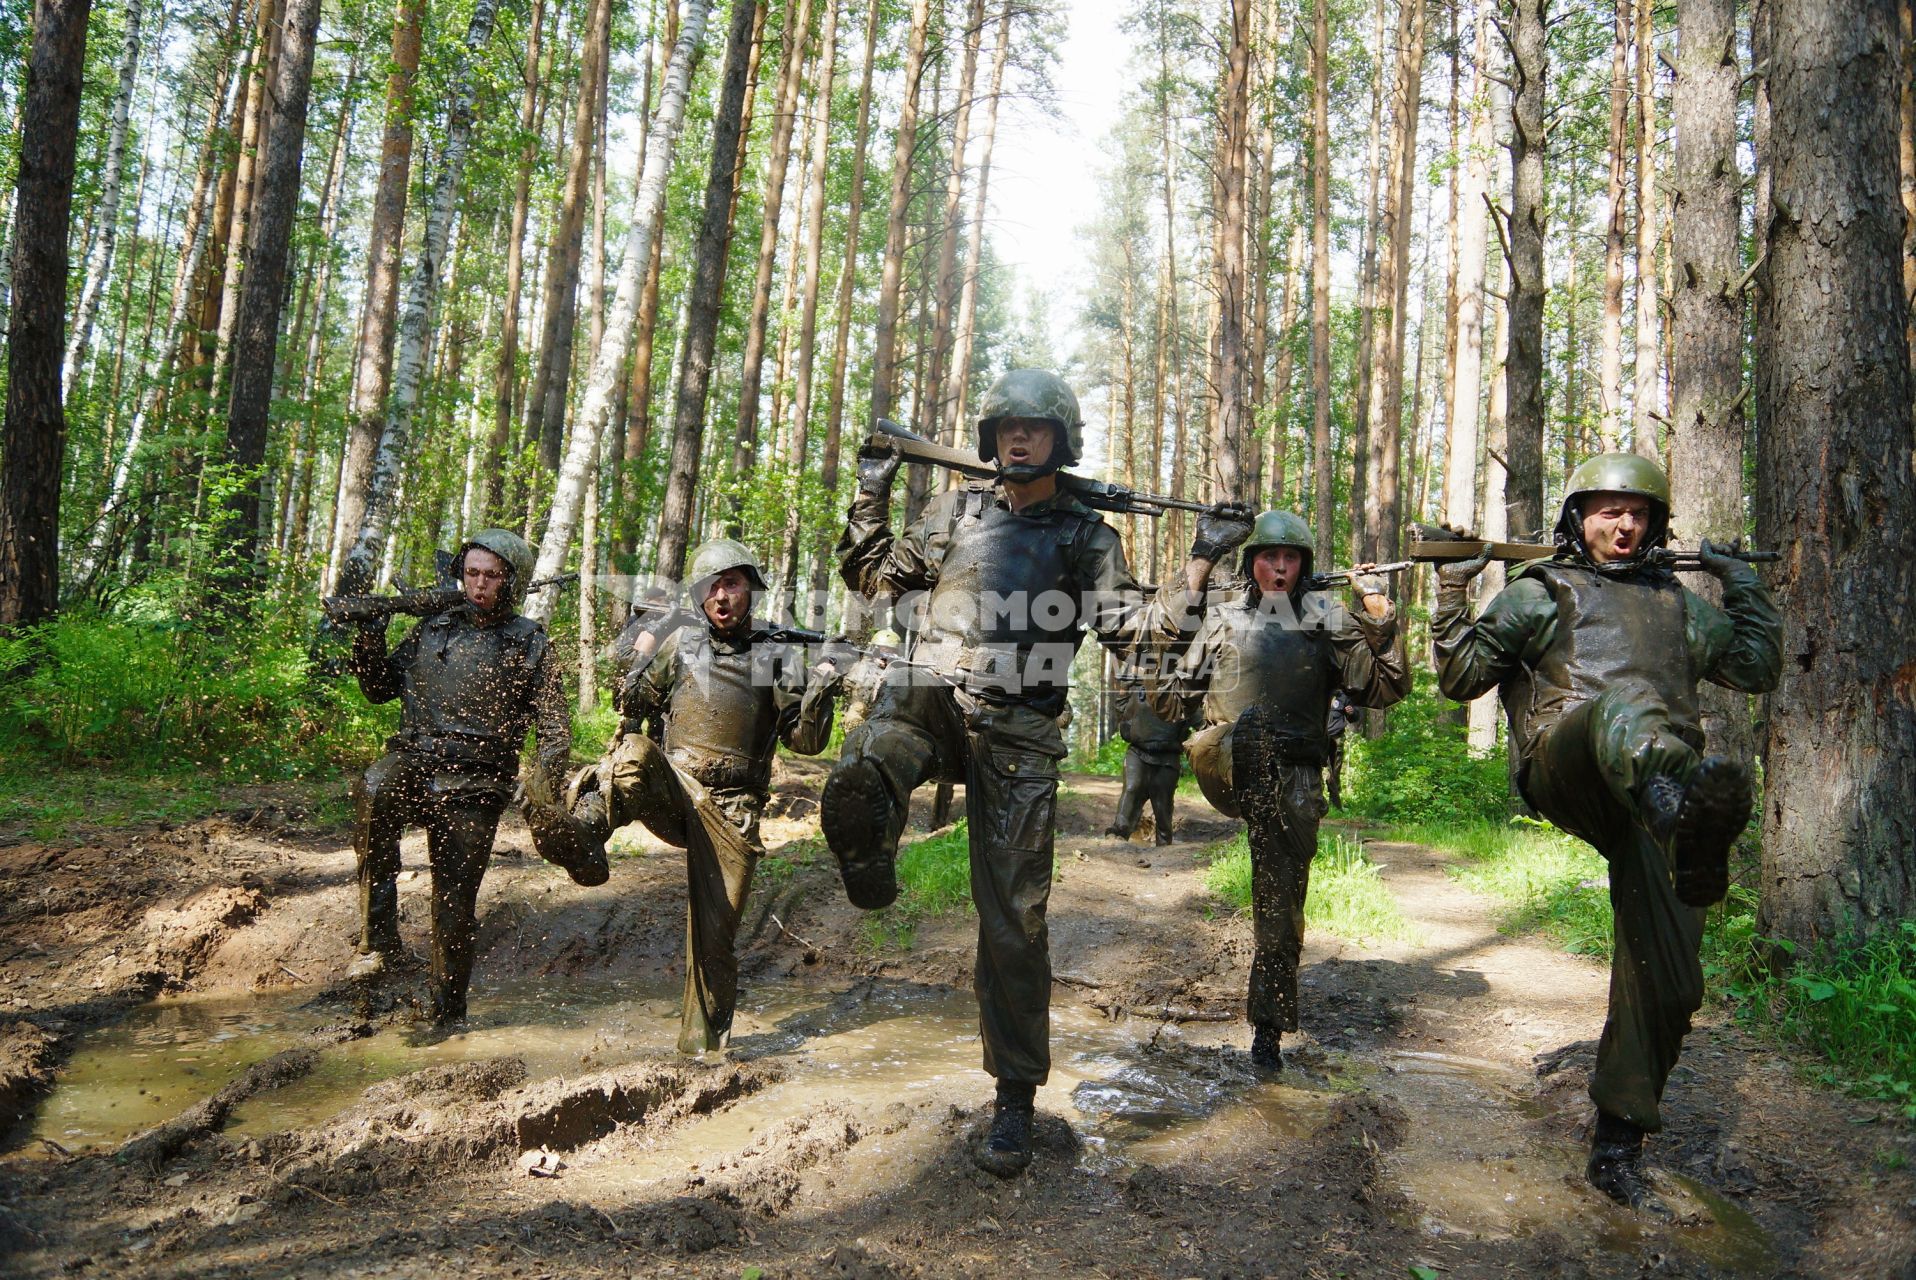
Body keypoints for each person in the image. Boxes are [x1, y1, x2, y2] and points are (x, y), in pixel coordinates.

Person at [824, 367, 1248, 1177]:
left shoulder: (1084, 536)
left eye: (1037, 429)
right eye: (1008, 428)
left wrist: (1200, 564)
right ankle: (868, 836)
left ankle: (1014, 1098)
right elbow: (873, 576)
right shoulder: (953, 513)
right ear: (991, 440)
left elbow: (1137, 635)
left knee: (1016, 923)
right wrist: (870, 493)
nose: (1020, 438)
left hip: (1020, 732)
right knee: (899, 694)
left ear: (1060, 441)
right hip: (938, 696)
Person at [1431, 453, 1781, 1212]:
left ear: (1656, 524)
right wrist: (1453, 588)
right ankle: (1674, 807)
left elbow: (1756, 668)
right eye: (1607, 510)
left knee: (1672, 976)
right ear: (1578, 516)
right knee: (1625, 710)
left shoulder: (1678, 605)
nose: (1623, 525)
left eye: (1639, 513)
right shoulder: (1542, 591)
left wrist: (1741, 583)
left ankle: (1617, 1147)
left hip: (1659, 800)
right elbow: (1460, 680)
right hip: (1572, 762)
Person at [524, 538, 843, 1055]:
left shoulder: (772, 655)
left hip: (733, 808)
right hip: (676, 787)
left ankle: (701, 1051)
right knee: (632, 751)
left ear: (750, 591)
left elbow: (805, 742)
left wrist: (823, 685)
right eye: (712, 586)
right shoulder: (682, 646)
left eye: (732, 584)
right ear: (698, 594)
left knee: (714, 944)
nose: (721, 596)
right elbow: (627, 701)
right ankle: (582, 834)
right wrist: (640, 645)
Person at [1155, 510, 1408, 1071]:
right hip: (1225, 762)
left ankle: (1267, 1031)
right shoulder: (1222, 619)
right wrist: (1172, 642)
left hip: (1293, 773)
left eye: (1289, 558)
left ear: (1304, 565)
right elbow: (1170, 702)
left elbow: (1386, 688)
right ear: (1251, 564)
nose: (1278, 566)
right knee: (1239, 739)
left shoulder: (1327, 618)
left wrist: (1378, 617)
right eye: (1268, 556)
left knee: (1280, 899)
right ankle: (1245, 746)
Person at [348, 528, 601, 1025]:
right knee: (374, 788)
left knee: (454, 902)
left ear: (510, 583)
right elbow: (378, 689)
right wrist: (370, 634)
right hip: (415, 760)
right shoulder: (432, 627)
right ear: (459, 574)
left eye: (491, 576)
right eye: (472, 574)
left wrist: (541, 787)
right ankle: (378, 939)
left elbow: (554, 730)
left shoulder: (529, 642)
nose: (479, 585)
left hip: (478, 782)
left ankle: (447, 1015)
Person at [1103, 674, 1192, 845]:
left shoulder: (1182, 694)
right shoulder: (1139, 690)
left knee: (1163, 805)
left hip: (1168, 757)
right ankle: (1118, 836)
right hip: (1138, 752)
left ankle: (1164, 848)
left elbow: (1197, 720)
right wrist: (1124, 689)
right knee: (1131, 789)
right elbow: (1122, 711)